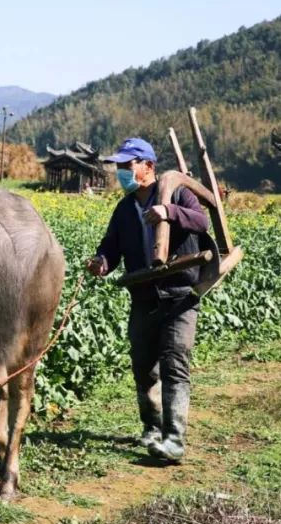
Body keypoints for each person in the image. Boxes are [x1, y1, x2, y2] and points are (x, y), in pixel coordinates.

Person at [86, 137, 210, 463]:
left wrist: (168, 211)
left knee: (174, 366)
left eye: (128, 166)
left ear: (148, 166)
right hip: (143, 298)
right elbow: (110, 248)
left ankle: (175, 440)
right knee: (143, 367)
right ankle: (152, 428)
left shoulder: (178, 193)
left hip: (180, 296)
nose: (122, 172)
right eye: (120, 167)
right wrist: (102, 262)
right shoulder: (125, 209)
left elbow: (202, 221)